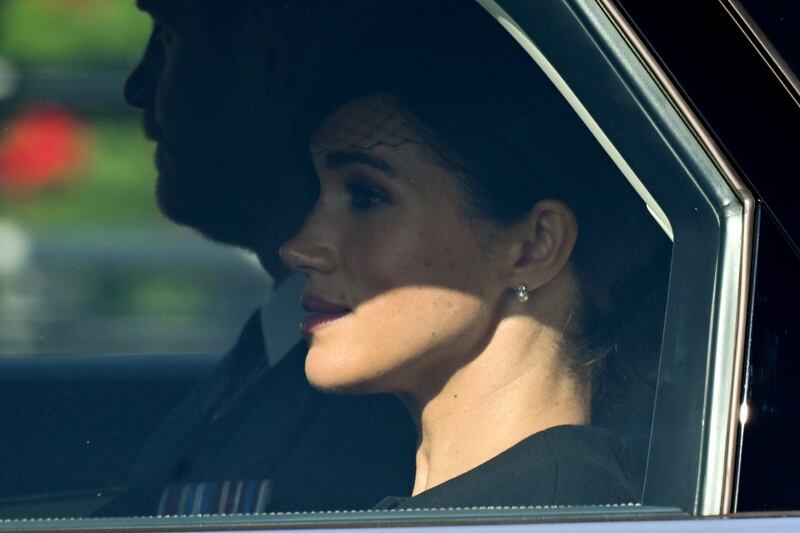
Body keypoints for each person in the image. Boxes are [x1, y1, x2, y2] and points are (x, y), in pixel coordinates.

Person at [279, 2, 670, 508]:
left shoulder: (543, 515)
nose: (298, 249)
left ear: (534, 247)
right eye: (319, 193)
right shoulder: (514, 505)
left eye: (366, 196)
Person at [97, 0, 421, 516]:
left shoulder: (367, 401)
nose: (136, 88)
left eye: (167, 37)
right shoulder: (274, 340)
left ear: (274, 54)